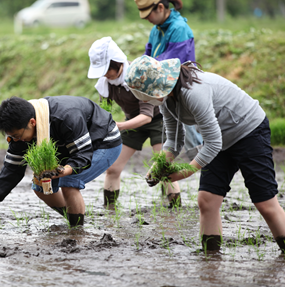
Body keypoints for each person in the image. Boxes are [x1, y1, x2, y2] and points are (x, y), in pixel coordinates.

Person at [125, 55, 285, 253]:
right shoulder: (166, 100)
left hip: (248, 131)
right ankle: (210, 261)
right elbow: (174, 141)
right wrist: (158, 166)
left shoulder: (193, 92)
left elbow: (213, 142)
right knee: (207, 201)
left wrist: (184, 172)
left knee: (265, 203)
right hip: (219, 139)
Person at [0, 95, 122, 229]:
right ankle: (74, 219)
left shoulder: (66, 116)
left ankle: (77, 233)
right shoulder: (20, 133)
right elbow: (10, 172)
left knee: (68, 181)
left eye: (17, 136)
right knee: (40, 186)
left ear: (32, 122)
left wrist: (62, 171)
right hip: (68, 146)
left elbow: (82, 155)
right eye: (12, 137)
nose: (16, 141)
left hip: (103, 140)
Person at [87, 36, 181, 208]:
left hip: (159, 120)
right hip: (132, 122)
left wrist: (119, 126)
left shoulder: (136, 75)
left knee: (163, 167)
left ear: (118, 63)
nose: (105, 75)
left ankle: (175, 211)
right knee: (113, 167)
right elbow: (104, 113)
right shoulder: (105, 84)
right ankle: (109, 210)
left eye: (107, 70)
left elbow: (146, 117)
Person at [134, 0, 203, 159]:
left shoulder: (179, 28)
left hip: (183, 89)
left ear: (160, 7)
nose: (145, 18)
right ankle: (166, 174)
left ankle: (209, 173)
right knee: (171, 138)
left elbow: (170, 63)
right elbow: (148, 56)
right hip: (166, 89)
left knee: (192, 140)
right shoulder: (156, 29)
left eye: (148, 14)